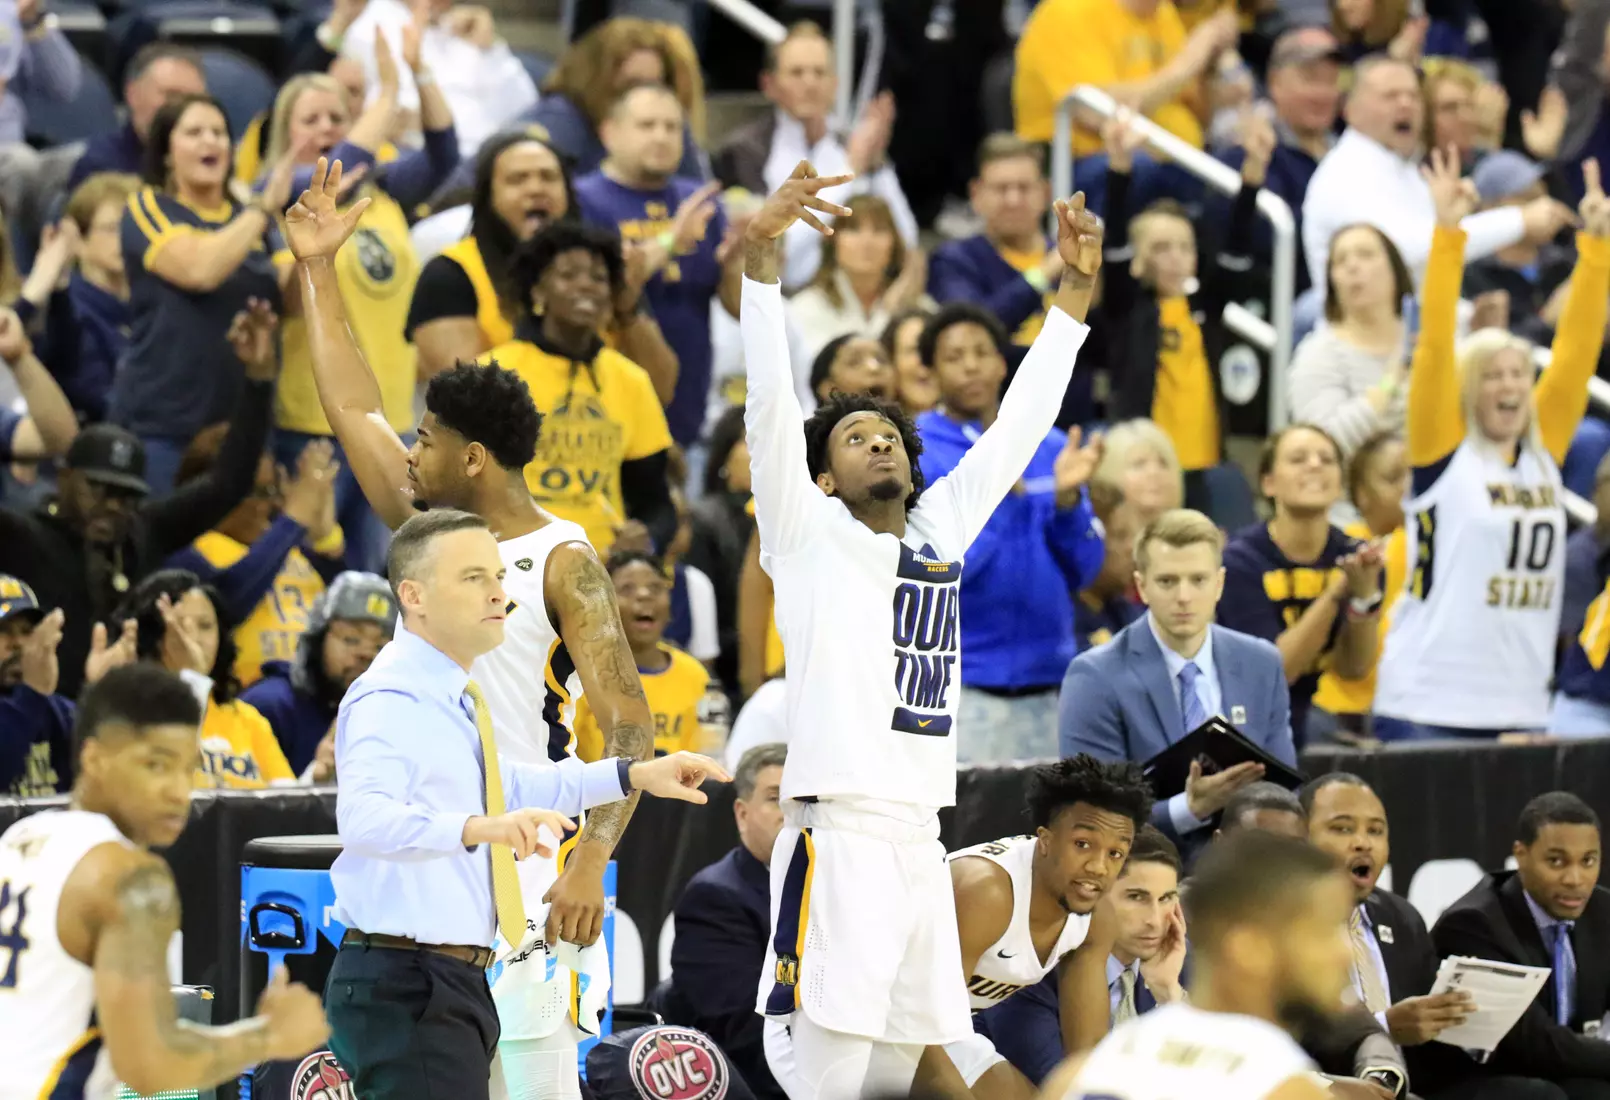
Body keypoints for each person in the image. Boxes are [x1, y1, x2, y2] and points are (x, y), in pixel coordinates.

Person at [287, 156, 661, 1099]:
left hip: (533, 862)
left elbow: (630, 724)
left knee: (539, 1086)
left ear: (474, 456)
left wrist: (590, 865)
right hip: (436, 853)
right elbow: (350, 406)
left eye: (428, 441)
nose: (411, 452)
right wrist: (319, 271)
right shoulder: (426, 531)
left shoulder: (566, 560)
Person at [740, 161, 1102, 1099]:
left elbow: (1021, 427)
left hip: (917, 839)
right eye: (856, 439)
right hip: (839, 834)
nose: (882, 442)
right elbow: (771, 410)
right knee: (828, 1074)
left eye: (890, 434)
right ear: (821, 478)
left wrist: (1071, 297)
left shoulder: (939, 531)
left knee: (901, 1074)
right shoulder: (806, 533)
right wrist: (761, 266)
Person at [325, 508, 730, 1099]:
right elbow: (362, 821)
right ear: (412, 595)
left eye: (497, 575)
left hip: (443, 974)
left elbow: (508, 782)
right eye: (474, 578)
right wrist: (481, 828)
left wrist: (636, 772)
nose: (500, 592)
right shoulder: (391, 695)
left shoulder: (449, 692)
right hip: (405, 978)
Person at [0, 664, 331, 1097]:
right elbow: (150, 1066)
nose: (178, 790)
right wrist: (268, 1036)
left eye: (187, 768)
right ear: (94, 758)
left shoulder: (21, 836)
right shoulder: (129, 877)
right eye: (156, 765)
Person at [1374, 152, 1610, 740]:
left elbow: (1576, 359)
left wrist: (1597, 249)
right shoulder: (1441, 451)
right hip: (1427, 701)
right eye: (1494, 376)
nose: (1510, 386)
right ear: (1467, 390)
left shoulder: (1539, 452)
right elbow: (1432, 348)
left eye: (1519, 374)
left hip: (1523, 704)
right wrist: (1449, 236)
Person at [0, 301, 276, 701]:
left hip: (121, 719)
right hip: (38, 723)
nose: (113, 505)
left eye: (126, 495)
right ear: (65, 479)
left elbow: (227, 483)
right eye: (99, 490)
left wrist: (259, 379)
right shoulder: (23, 538)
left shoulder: (143, 533)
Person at [265, 28, 460, 573]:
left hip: (394, 416)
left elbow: (446, 154)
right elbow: (343, 163)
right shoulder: (283, 192)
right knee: (311, 571)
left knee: (388, 576)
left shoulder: (385, 192)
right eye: (311, 120)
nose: (327, 129)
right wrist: (388, 89)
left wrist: (420, 74)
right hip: (312, 421)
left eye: (335, 118)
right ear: (285, 134)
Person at [915, 303, 1105, 762]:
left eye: (981, 352)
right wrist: (1011, 500)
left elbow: (1086, 569)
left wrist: (1065, 505)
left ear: (1002, 363)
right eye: (954, 356)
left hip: (1053, 680)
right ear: (931, 372)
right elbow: (940, 568)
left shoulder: (1054, 447)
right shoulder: (917, 449)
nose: (971, 365)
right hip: (963, 682)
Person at [1301, 773, 1563, 1100]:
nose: (1363, 842)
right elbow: (1293, 1043)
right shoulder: (1281, 927)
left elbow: (1426, 1047)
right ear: (1300, 838)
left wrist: (1465, 1027)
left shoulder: (1400, 917)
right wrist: (1384, 1027)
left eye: (1375, 830)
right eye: (1342, 828)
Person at [1040, 830, 1348, 1100]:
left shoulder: (1080, 1073)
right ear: (1249, 949)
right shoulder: (1284, 1089)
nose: (1345, 952)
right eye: (1323, 931)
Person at [1058, 509, 1297, 857]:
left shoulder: (1261, 663)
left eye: (1198, 580)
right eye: (1168, 581)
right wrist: (1189, 809)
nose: (1183, 596)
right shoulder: (1094, 676)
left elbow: (1282, 793)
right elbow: (1093, 816)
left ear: (1219, 583)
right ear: (1142, 586)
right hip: (1142, 873)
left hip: (1248, 870)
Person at [933, 757, 1153, 1097]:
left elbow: (1086, 1056)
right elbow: (919, 1025)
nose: (1098, 867)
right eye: (1083, 844)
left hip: (944, 1034)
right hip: (870, 1018)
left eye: (1115, 853)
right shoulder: (986, 893)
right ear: (1045, 840)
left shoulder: (1096, 915)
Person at [111, 94, 295, 491]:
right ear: (165, 153)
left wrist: (314, 250)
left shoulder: (255, 220)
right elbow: (198, 270)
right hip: (164, 424)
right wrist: (262, 210)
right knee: (160, 543)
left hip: (245, 423)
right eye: (194, 132)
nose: (210, 142)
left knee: (245, 548)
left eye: (219, 133)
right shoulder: (149, 207)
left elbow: (291, 302)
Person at [1100, 109, 1269, 512]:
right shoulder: (1127, 309)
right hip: (1145, 465)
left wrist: (1252, 177)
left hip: (1205, 459)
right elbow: (1115, 249)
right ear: (1138, 259)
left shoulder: (1205, 307)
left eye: (1183, 247)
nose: (1175, 258)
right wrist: (1119, 169)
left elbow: (1235, 252)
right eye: (1160, 248)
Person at [1302, 57, 1572, 302]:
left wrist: (1466, 316)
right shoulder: (1346, 173)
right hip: (1360, 338)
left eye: (1413, 96)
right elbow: (1402, 254)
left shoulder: (1401, 168)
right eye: (1390, 96)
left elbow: (1433, 264)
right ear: (1350, 109)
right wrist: (1518, 221)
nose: (1405, 104)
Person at [481, 221, 678, 557]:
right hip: (511, 561)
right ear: (538, 292)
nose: (586, 286)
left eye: (598, 278)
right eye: (568, 275)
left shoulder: (630, 380)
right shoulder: (492, 373)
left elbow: (656, 504)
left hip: (601, 566)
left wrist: (644, 536)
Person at [575, 81, 734, 448]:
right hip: (608, 414)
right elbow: (601, 288)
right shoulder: (583, 198)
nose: (661, 136)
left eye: (672, 127)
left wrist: (743, 258)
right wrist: (669, 242)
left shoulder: (699, 200)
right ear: (609, 133)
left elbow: (735, 305)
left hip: (688, 415)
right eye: (647, 126)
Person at [973, 826, 1187, 1087]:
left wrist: (1169, 994)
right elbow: (1070, 1090)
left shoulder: (1179, 960)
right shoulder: (1032, 972)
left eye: (1166, 899)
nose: (1155, 921)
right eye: (1136, 897)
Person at [712, 23, 919, 291]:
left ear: (835, 83)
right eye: (797, 73)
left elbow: (908, 240)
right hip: (787, 298)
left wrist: (876, 163)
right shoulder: (744, 152)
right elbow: (780, 256)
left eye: (819, 73)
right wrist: (851, 169)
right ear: (769, 84)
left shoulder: (853, 143)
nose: (810, 83)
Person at [1433, 793, 1610, 1097]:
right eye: (1556, 861)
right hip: (1477, 1079)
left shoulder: (1603, 910)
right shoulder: (1473, 924)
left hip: (1558, 1070)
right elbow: (1534, 1044)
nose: (1575, 878)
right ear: (1521, 854)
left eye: (1588, 861)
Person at [1217, 424, 1384, 745]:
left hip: (1303, 718)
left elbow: (1353, 668)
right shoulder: (1239, 562)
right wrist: (1335, 595)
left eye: (1327, 458)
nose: (1314, 465)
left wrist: (1364, 597)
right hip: (1239, 722)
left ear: (1339, 485)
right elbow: (1275, 673)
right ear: (1268, 482)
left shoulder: (1354, 556)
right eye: (1298, 458)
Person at [166, 429, 345, 689]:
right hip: (248, 694)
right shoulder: (187, 553)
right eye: (257, 492)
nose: (269, 504)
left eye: (273, 489)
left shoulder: (287, 549)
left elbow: (350, 615)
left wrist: (325, 536)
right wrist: (294, 519)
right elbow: (229, 601)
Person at [663, 743, 790, 1100]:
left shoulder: (834, 888)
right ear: (742, 813)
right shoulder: (715, 899)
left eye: (803, 800)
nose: (791, 813)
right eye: (775, 797)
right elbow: (746, 1034)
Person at [406, 131, 577, 374]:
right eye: (517, 179)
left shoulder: (600, 269)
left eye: (549, 177)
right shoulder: (449, 274)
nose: (536, 189)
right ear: (488, 196)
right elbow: (463, 396)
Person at [118, 568, 295, 789]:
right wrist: (191, 677)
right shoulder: (128, 713)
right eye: (180, 624)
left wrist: (316, 777)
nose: (194, 638)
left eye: (205, 626)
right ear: (152, 634)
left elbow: (288, 805)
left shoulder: (248, 719)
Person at [240, 569, 395, 777]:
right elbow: (242, 806)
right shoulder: (269, 706)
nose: (365, 654)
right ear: (317, 640)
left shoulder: (396, 718)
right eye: (351, 639)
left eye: (380, 647)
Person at [571, 550, 720, 759]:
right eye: (627, 588)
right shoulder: (580, 676)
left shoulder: (695, 676)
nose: (644, 595)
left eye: (655, 588)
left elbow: (709, 755)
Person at [1311, 433, 1409, 738]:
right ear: (1361, 494)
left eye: (1414, 475)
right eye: (1394, 478)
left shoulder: (1427, 540)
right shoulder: (1344, 547)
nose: (1408, 487)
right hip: (1338, 706)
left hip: (1404, 707)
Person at [1287, 225, 1415, 458]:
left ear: (1395, 269)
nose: (1352, 266)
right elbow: (1321, 448)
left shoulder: (1429, 338)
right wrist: (1389, 384)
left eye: (1366, 255)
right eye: (1340, 260)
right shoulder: (1318, 354)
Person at [24, 171, 141, 425]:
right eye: (112, 228)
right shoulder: (67, 307)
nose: (124, 238)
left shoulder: (147, 304)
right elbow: (95, 395)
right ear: (78, 240)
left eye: (131, 228)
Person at [927, 134, 1059, 347]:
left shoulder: (1068, 258)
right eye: (1001, 188)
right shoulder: (953, 260)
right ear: (976, 193)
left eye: (1023, 188)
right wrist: (1045, 273)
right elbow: (974, 331)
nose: (1013, 200)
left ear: (1045, 193)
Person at [788, 194, 932, 364]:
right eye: (854, 229)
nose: (867, 242)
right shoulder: (805, 308)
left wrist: (900, 306)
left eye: (879, 230)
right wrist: (889, 314)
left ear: (894, 244)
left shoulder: (919, 306)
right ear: (833, 240)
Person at [68, 43, 207, 188]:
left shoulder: (215, 164)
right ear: (132, 94)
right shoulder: (100, 168)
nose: (181, 107)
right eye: (170, 95)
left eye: (192, 99)